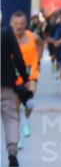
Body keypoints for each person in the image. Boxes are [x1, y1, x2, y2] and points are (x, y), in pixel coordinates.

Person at [9, 12, 42, 142]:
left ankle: (27, 120)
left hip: (30, 74)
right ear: (11, 24)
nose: (19, 26)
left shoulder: (32, 36)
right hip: (14, 76)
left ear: (26, 24)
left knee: (30, 101)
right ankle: (18, 137)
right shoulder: (7, 38)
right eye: (16, 24)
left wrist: (38, 60)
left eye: (22, 23)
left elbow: (41, 44)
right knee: (15, 108)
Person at [2, 22, 30, 167]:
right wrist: (25, 77)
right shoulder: (7, 35)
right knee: (11, 118)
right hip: (7, 83)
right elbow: (18, 57)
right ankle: (12, 151)